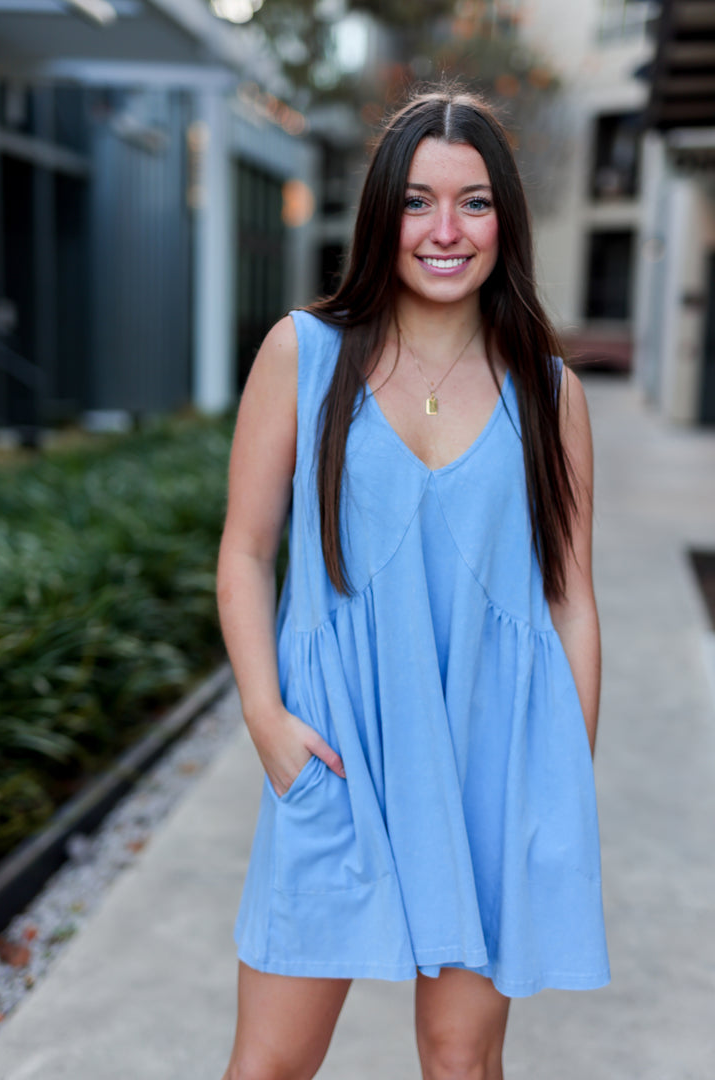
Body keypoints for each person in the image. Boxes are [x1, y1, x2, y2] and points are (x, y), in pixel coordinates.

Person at [216, 84, 610, 1080]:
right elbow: (246, 552)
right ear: (380, 214)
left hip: (490, 760)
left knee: (461, 1063)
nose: (446, 230)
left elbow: (571, 595)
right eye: (418, 201)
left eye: (474, 202)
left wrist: (562, 773)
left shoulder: (549, 392)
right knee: (269, 1065)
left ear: (504, 220)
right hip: (335, 752)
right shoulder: (304, 356)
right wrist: (266, 717)